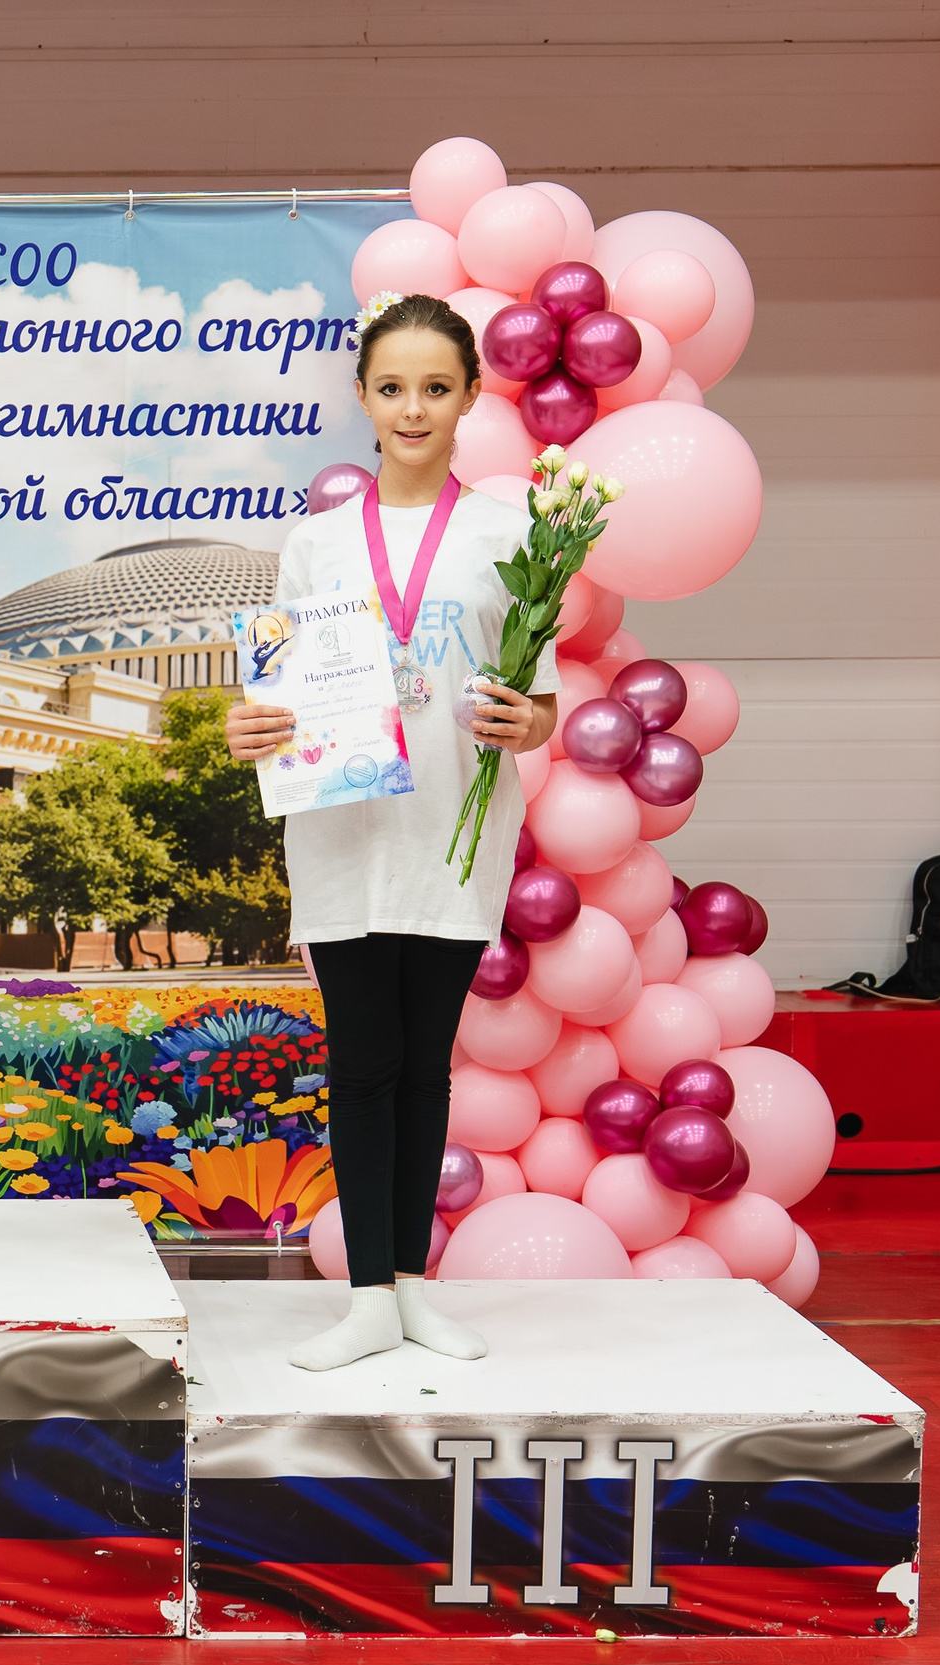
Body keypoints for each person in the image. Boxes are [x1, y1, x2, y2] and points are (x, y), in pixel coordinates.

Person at [225, 292, 558, 1372]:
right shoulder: (312, 543)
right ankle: (368, 1294)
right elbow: (271, 701)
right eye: (390, 387)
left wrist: (530, 717)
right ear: (362, 398)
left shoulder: (512, 536)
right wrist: (251, 725)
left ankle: (411, 1288)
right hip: (344, 832)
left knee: (427, 1070)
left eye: (435, 387)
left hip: (454, 832)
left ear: (468, 398)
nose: (411, 408)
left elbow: (539, 696)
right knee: (363, 1061)